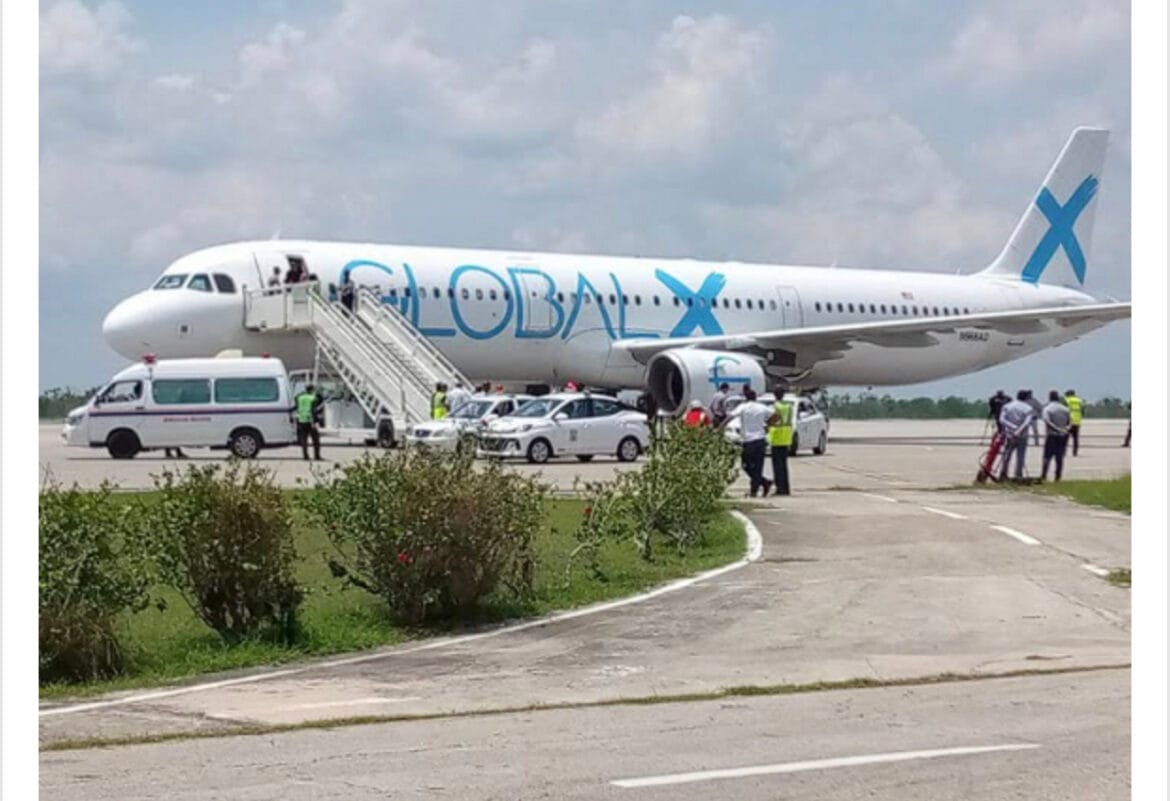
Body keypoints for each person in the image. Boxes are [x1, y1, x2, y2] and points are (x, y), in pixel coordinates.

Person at [724, 388, 772, 498]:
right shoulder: (762, 407)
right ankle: (764, 482)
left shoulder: (743, 407)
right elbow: (776, 416)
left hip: (748, 441)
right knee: (757, 466)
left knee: (746, 465)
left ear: (746, 398)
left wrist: (720, 427)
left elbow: (730, 417)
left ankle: (754, 490)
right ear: (755, 397)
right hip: (760, 440)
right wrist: (767, 426)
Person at [997, 390, 1035, 481]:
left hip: (1009, 434)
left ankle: (1003, 473)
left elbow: (1002, 419)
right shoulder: (1028, 408)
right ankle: (1018, 474)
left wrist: (1012, 427)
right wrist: (1018, 430)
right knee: (1020, 456)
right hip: (1022, 435)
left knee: (1007, 455)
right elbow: (1027, 422)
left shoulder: (1007, 406)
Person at [766, 393, 795, 496]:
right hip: (786, 437)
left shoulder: (775, 406)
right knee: (784, 465)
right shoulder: (789, 406)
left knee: (777, 466)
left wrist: (767, 424)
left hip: (777, 437)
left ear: (775, 395)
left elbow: (774, 419)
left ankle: (780, 488)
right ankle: (786, 488)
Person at [1040, 390, 1071, 481]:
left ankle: (1044, 475)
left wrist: (1057, 429)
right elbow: (1069, 422)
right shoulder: (1065, 409)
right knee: (1060, 457)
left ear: (1049, 398)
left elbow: (1047, 421)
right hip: (1063, 436)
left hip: (1052, 435)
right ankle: (1058, 476)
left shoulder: (1047, 409)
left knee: (1047, 456)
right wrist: (1064, 430)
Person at [294, 384, 323, 461]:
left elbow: (296, 399)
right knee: (316, 439)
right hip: (310, 420)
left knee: (304, 439)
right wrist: (315, 421)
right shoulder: (313, 398)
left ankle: (305, 456)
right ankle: (317, 456)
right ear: (312, 390)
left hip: (301, 419)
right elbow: (313, 410)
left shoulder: (300, 397)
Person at [1064, 389, 1083, 455]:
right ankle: (1075, 452)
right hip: (1077, 421)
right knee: (1075, 438)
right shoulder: (1079, 400)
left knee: (1065, 437)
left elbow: (1064, 410)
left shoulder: (1067, 400)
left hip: (1068, 421)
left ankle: (1064, 451)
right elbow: (1082, 410)